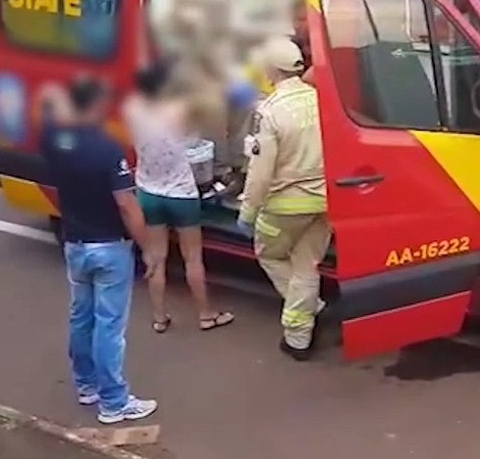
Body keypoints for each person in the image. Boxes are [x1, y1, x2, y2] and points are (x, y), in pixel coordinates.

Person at [39, 75, 159, 424]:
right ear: (94, 105)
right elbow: (127, 205)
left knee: (81, 316)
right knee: (109, 326)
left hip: (75, 244)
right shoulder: (106, 148)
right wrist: (148, 249)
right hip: (109, 247)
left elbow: (48, 104)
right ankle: (114, 402)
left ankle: (86, 385)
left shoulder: (52, 136)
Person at [123, 59, 235, 334]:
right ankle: (206, 314)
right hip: (182, 193)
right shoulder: (179, 111)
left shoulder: (132, 109)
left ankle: (160, 317)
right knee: (193, 258)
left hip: (149, 190)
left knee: (157, 258)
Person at [238, 36, 330, 361]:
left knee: (270, 255)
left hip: (284, 206)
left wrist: (248, 211)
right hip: (326, 202)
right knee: (308, 265)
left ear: (272, 70)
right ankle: (302, 327)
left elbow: (261, 173)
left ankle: (301, 321)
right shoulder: (322, 100)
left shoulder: (271, 112)